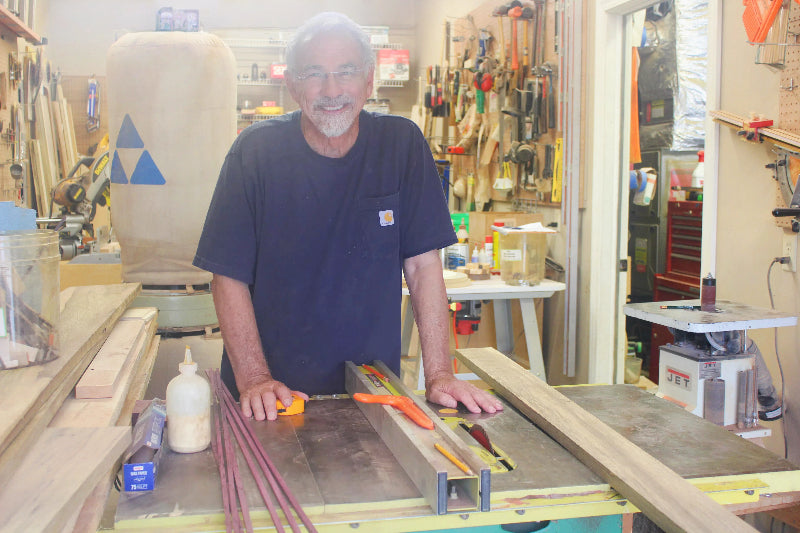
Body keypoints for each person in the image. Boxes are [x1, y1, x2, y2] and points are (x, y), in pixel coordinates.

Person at [194, 12, 502, 421]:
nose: (332, 89)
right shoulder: (255, 152)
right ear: (291, 85)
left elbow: (423, 266)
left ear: (369, 80)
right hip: (273, 400)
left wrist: (440, 374)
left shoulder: (401, 145)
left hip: (373, 393)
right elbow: (227, 276)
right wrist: (254, 378)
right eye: (314, 74)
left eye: (346, 72)